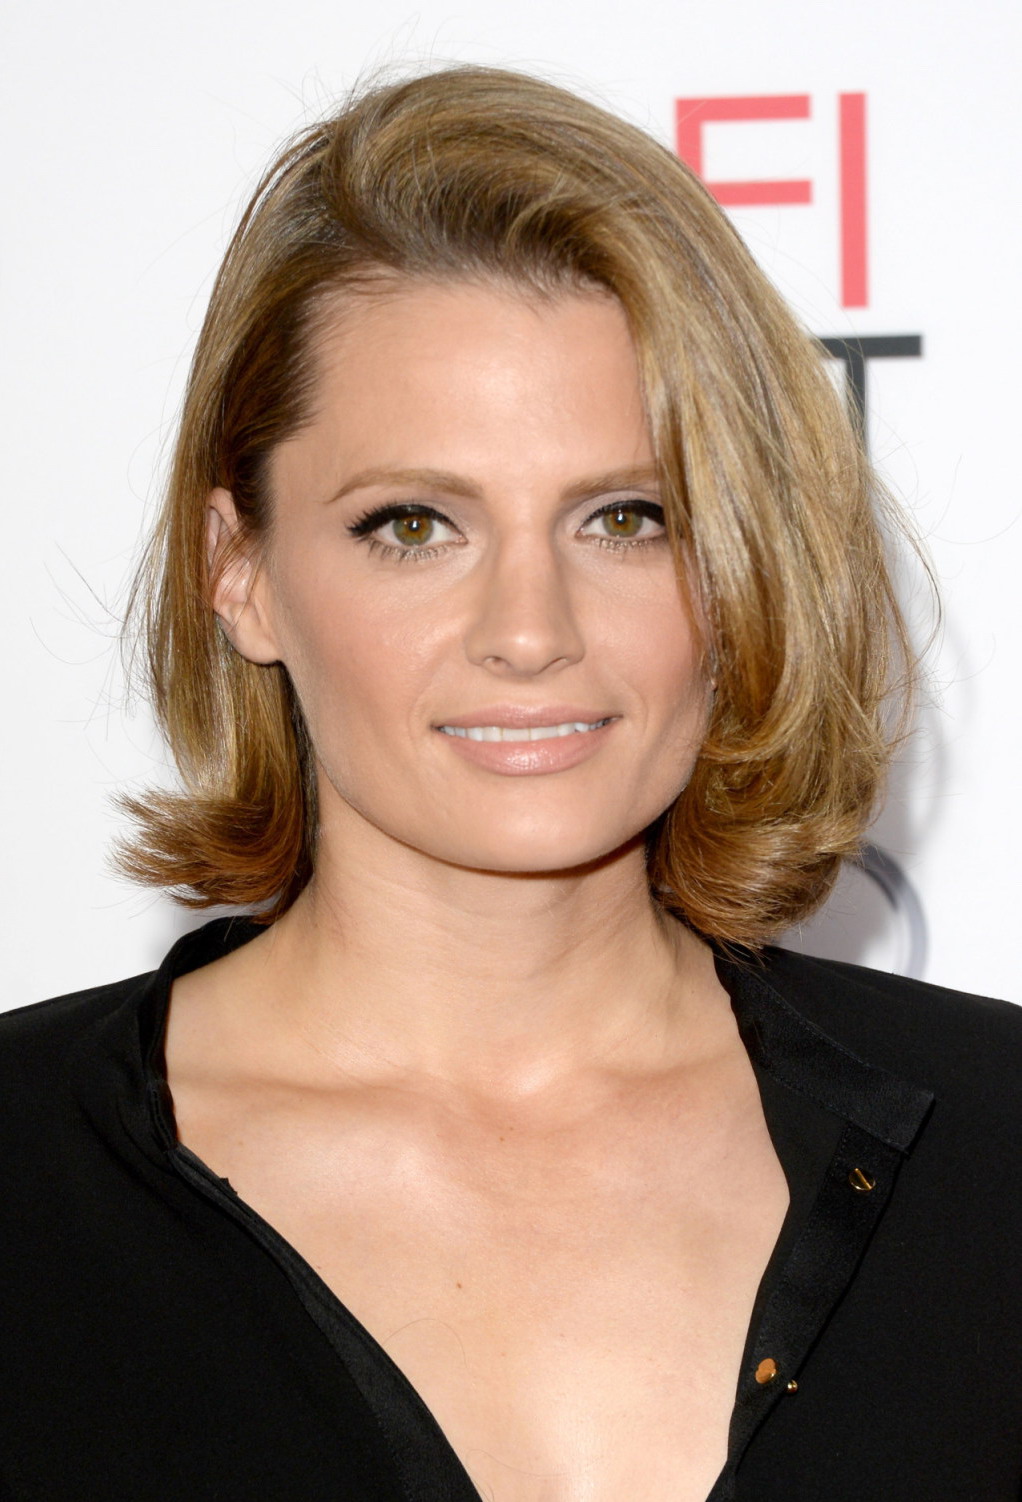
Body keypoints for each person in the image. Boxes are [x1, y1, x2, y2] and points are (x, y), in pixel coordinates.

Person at [2, 65, 1019, 1502]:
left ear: (739, 558)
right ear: (242, 572)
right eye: (413, 525)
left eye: (627, 516)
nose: (530, 631)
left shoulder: (997, 1142)